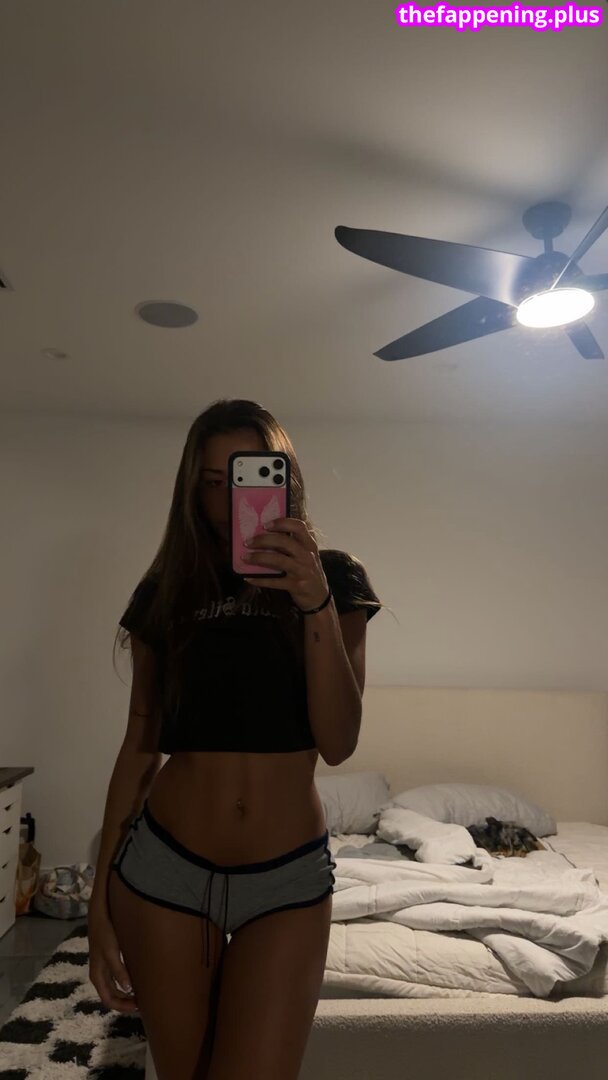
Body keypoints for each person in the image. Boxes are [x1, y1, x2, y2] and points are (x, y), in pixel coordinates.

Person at [88, 398, 382, 1080]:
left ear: (282, 478)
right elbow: (140, 745)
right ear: (191, 489)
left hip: (287, 882)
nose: (229, 500)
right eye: (212, 481)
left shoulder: (335, 578)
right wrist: (100, 903)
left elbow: (339, 741)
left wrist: (313, 602)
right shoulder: (167, 589)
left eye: (247, 476)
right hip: (163, 869)